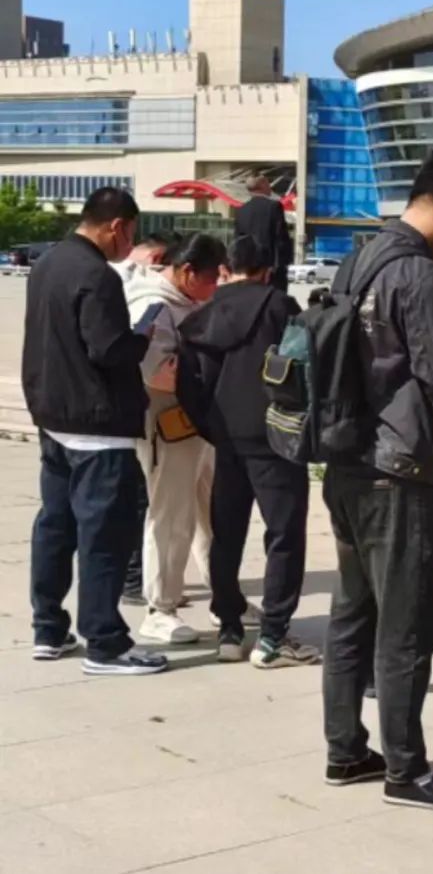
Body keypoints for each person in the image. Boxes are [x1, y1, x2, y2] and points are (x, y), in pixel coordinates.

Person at [321, 151, 433, 812]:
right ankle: (407, 769)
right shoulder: (421, 273)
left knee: (353, 613)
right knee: (407, 624)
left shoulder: (360, 259)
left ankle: (346, 749)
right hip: (399, 470)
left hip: (347, 459)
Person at [21, 187, 168, 677]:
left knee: (55, 527)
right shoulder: (97, 275)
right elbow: (108, 350)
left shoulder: (48, 263)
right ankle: (104, 643)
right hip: (98, 426)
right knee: (105, 536)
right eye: (131, 234)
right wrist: (141, 336)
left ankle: (48, 629)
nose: (129, 245)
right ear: (117, 226)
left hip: (54, 416)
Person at [177, 236, 318, 668]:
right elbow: (302, 367)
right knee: (284, 534)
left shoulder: (203, 315)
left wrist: (209, 426)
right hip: (275, 436)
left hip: (225, 437)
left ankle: (229, 628)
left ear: (225, 269)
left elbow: (188, 384)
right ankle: (273, 635)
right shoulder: (279, 307)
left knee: (226, 533)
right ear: (267, 269)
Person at [125, 232, 228, 645]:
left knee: (214, 513)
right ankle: (160, 608)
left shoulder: (190, 302)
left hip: (200, 424)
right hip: (169, 425)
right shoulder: (154, 305)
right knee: (171, 518)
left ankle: (226, 597)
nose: (215, 287)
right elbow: (157, 372)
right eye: (211, 279)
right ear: (187, 272)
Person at [116, 232, 175, 604]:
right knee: (139, 498)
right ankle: (133, 578)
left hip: (113, 408)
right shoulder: (148, 295)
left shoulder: (115, 279)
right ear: (157, 259)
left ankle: (133, 576)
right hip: (132, 406)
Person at [234, 175, 293, 292]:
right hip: (271, 272)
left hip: (249, 271)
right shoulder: (274, 207)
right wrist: (281, 265)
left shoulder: (241, 210)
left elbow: (238, 242)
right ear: (262, 185)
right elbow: (280, 239)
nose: (270, 187)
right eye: (268, 183)